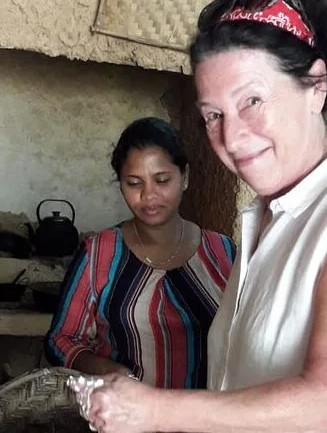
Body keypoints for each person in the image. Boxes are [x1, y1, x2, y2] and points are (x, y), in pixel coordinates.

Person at [78, 0, 327, 432]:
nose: (231, 138)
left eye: (252, 101)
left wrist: (155, 411)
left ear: (315, 86)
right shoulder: (269, 220)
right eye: (213, 115)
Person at [44, 117, 236, 390]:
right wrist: (105, 369)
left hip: (205, 412)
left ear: (185, 177)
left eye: (162, 180)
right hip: (124, 412)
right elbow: (61, 338)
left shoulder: (223, 253)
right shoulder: (99, 254)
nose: (149, 195)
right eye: (134, 183)